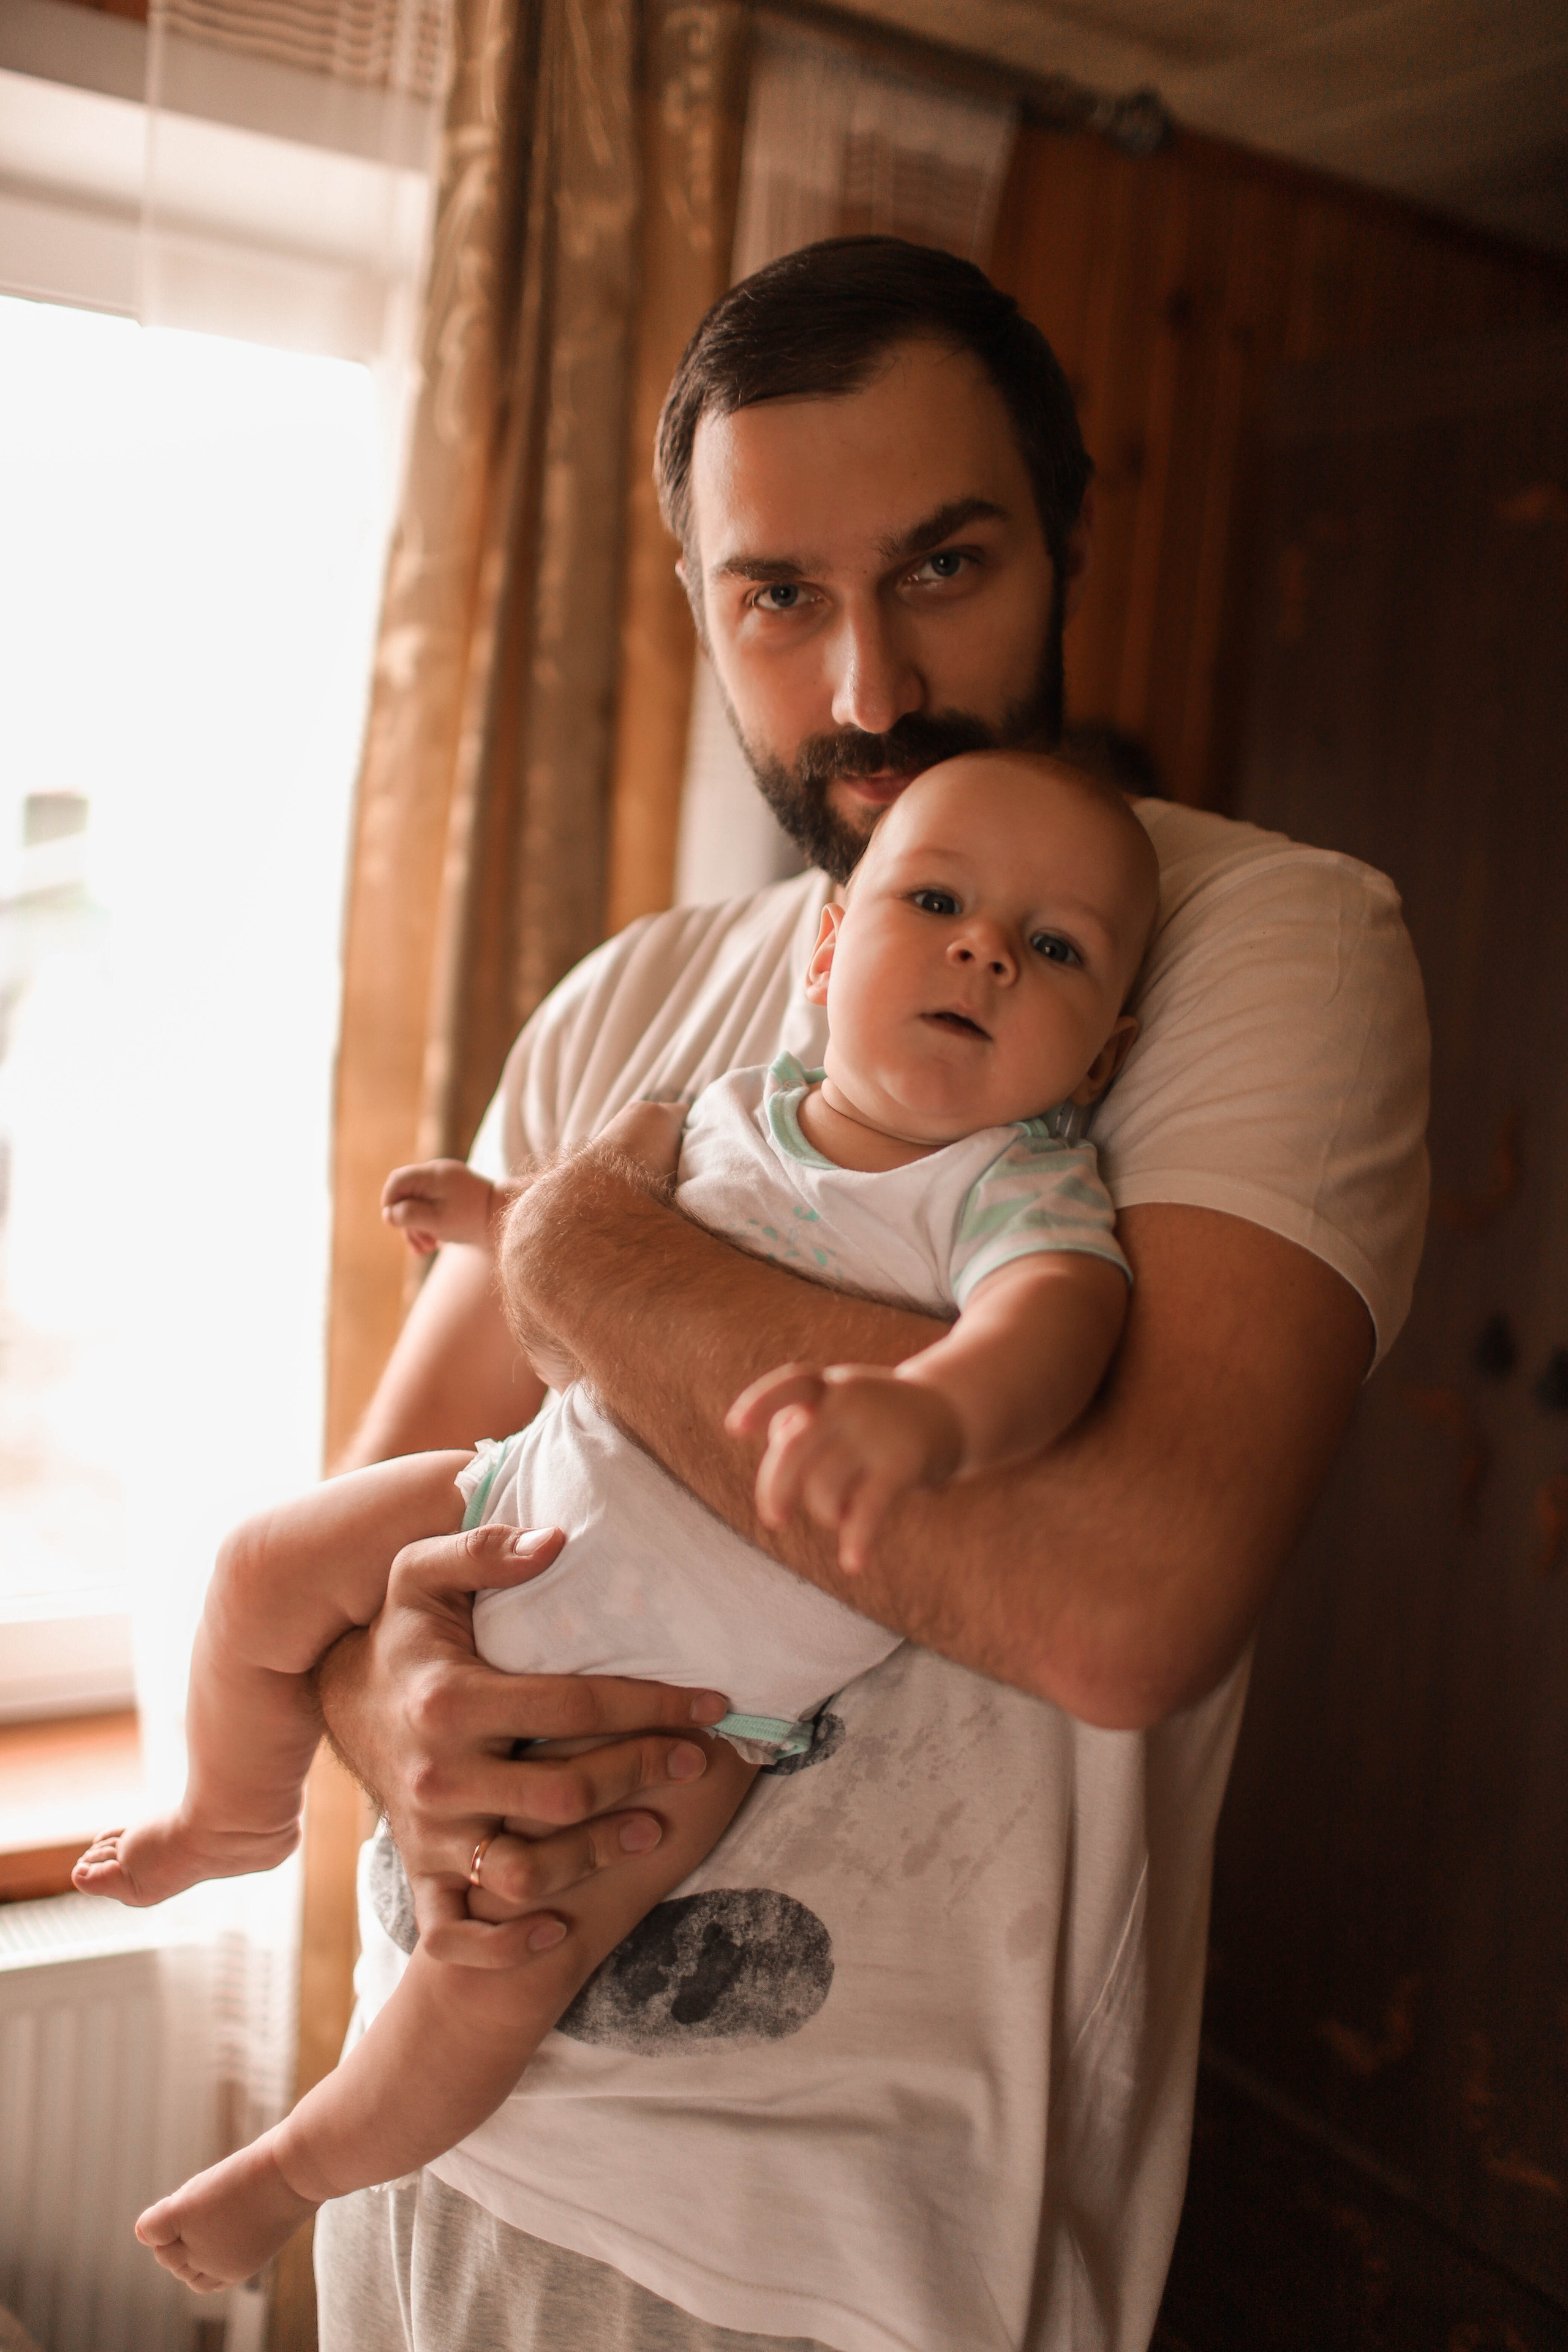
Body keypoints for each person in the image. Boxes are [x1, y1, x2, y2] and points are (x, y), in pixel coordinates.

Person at [307, 237, 1428, 2352]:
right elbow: (389, 1548)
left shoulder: (1256, 942)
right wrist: (407, 1718)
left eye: (945, 564)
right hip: (433, 2169)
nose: (865, 692)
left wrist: (569, 1241)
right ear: (701, 610)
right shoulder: (625, 999)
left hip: (858, 2289)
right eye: (779, 596)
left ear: (1071, 544)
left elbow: (1121, 1602)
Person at [85, 751, 1161, 2297]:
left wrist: (934, 1411)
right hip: (515, 1509)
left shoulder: (1011, 1188)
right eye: (935, 903)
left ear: (1106, 1053)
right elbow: (578, 1226)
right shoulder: (733, 1104)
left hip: (704, 1696)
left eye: (1052, 947)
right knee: (262, 1561)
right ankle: (228, 1813)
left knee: (502, 1963)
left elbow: (1051, 1330)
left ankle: (295, 2168)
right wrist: (492, 1217)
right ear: (826, 949)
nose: (985, 949)